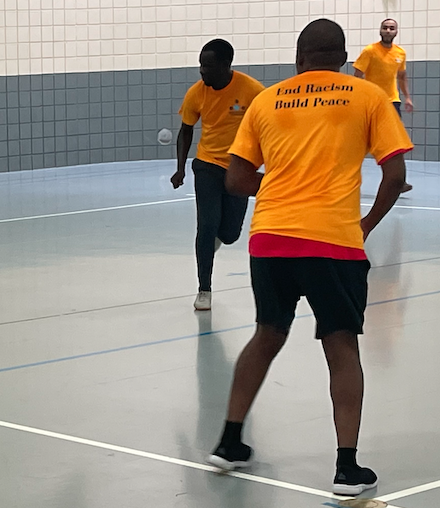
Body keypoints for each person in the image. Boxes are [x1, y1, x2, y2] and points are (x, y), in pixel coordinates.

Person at [207, 19, 412, 496]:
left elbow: (236, 180)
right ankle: (345, 469)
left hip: (271, 239)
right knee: (341, 346)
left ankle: (229, 442)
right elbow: (395, 174)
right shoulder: (367, 98)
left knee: (266, 334)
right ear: (342, 59)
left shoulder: (266, 99)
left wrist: (280, 187)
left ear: (298, 59)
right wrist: (363, 226)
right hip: (333, 242)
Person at [172, 39, 265, 311]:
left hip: (240, 167)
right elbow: (186, 130)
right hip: (207, 165)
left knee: (231, 233)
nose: (202, 72)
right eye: (201, 66)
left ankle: (210, 244)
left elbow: (269, 127)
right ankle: (204, 289)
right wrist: (180, 168)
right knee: (207, 225)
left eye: (208, 66)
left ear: (226, 65)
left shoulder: (252, 91)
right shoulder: (196, 93)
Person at [353, 18, 414, 193]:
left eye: (392, 28)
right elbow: (358, 75)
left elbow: (402, 76)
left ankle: (399, 181)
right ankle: (342, 175)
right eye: (385, 28)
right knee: (360, 140)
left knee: (396, 142)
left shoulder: (400, 53)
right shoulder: (370, 51)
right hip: (371, 101)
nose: (388, 30)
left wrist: (407, 98)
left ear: (396, 31)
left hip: (392, 102)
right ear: (380, 31)